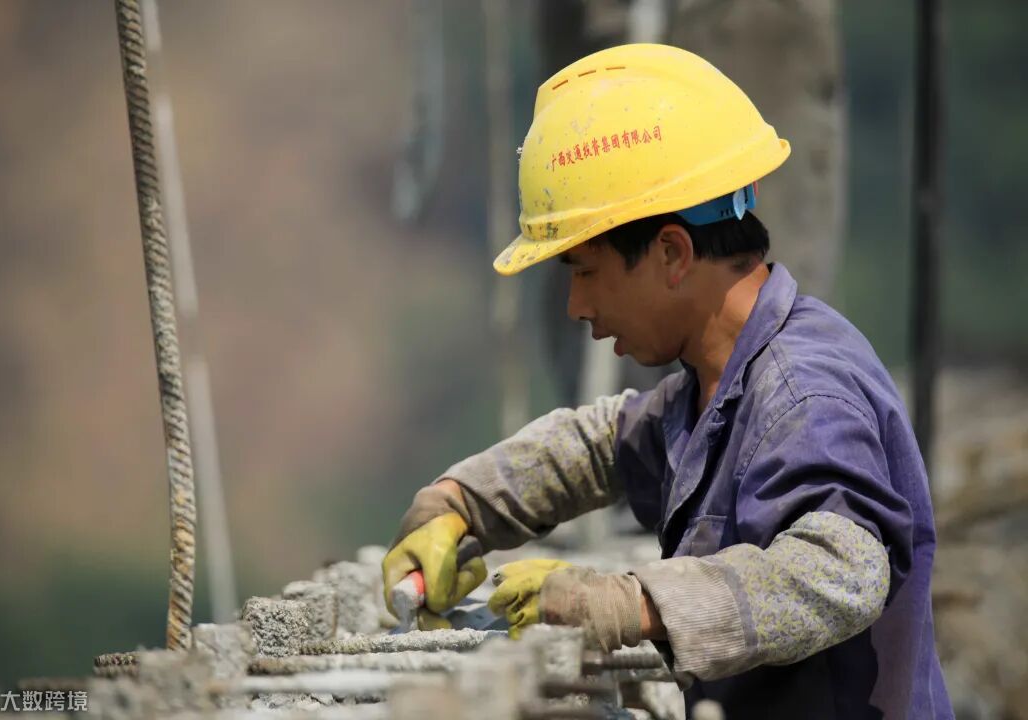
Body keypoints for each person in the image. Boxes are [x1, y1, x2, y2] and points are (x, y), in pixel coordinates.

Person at [382, 44, 952, 719]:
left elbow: (839, 574)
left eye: (586, 271)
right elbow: (602, 444)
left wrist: (631, 602)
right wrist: (457, 504)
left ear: (673, 253)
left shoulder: (803, 393)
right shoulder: (718, 384)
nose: (577, 306)